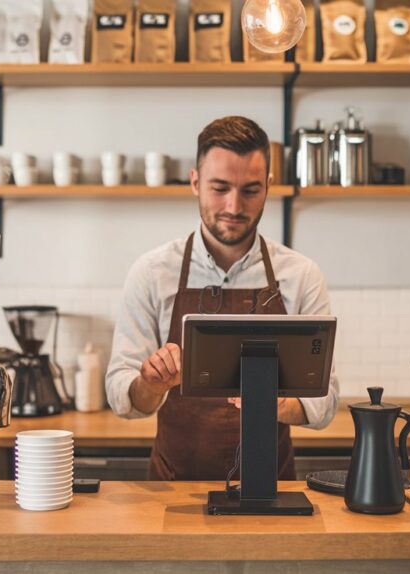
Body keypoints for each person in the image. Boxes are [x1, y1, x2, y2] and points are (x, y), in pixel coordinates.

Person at [106, 116, 339, 480]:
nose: (233, 206)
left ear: (268, 187)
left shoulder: (301, 275)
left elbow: (324, 403)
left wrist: (277, 404)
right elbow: (121, 395)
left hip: (271, 491)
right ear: (195, 182)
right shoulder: (152, 272)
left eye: (250, 190)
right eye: (219, 188)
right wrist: (151, 385)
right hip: (173, 493)